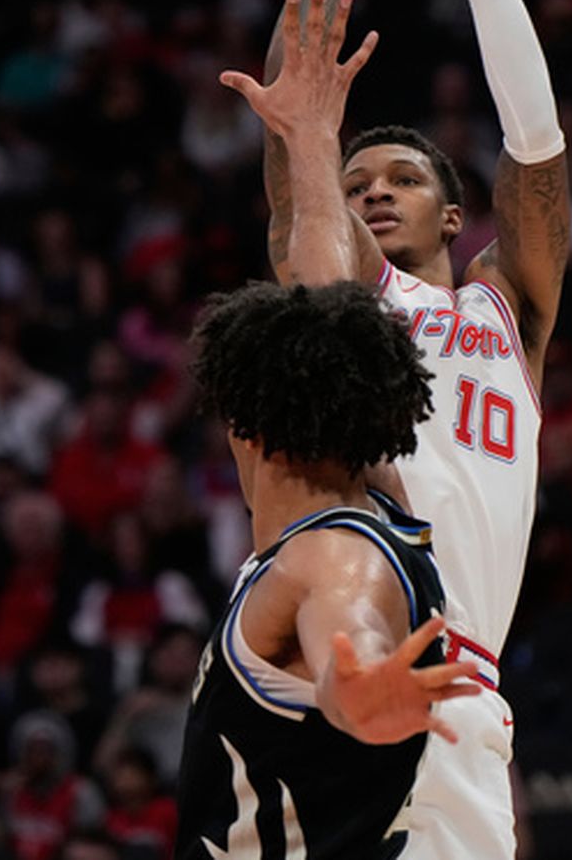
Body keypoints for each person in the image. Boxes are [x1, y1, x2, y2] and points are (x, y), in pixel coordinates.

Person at [221, 0, 569, 860]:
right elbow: (296, 112)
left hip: (466, 699)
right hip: (345, 651)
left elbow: (536, 142)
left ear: (455, 214)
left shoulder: (506, 310)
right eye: (358, 177)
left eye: (401, 179)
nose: (370, 190)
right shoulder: (339, 292)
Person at [174, 279, 481, 859]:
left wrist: (362, 689)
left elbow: (351, 632)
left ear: (245, 424)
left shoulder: (331, 557)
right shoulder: (382, 506)